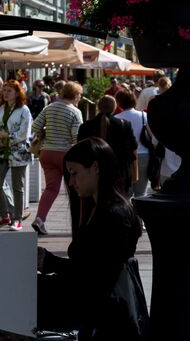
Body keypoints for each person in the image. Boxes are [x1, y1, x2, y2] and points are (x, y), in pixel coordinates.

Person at [35, 137, 146, 341]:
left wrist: (49, 263)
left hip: (98, 312)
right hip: (95, 306)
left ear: (95, 167)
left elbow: (93, 277)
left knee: (11, 304)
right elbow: (91, 271)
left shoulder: (114, 214)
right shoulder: (104, 209)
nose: (71, 183)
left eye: (74, 173)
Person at [29, 80, 83, 235]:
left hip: (46, 153)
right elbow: (76, 136)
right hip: (64, 154)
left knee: (51, 188)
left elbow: (35, 127)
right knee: (74, 189)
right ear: (76, 95)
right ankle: (78, 223)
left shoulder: (49, 107)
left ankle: (40, 219)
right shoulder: (74, 111)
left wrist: (48, 131)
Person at [78, 95, 139, 195]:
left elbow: (80, 151)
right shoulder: (124, 124)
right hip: (119, 173)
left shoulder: (85, 127)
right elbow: (133, 148)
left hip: (93, 173)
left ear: (98, 106)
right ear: (115, 107)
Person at [1, 80, 33, 230]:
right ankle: (5, 214)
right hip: (2, 151)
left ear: (17, 93)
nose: (5, 93)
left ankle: (17, 219)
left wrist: (6, 136)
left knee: (17, 186)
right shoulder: (1, 108)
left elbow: (24, 133)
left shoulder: (24, 110)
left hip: (18, 152)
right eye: (4, 90)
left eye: (9, 91)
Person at [112, 88, 150, 198]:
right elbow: (152, 137)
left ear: (118, 102)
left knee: (124, 194)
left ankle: (127, 215)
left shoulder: (116, 118)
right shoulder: (144, 116)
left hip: (123, 159)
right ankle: (139, 215)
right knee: (141, 193)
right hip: (144, 155)